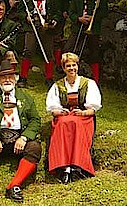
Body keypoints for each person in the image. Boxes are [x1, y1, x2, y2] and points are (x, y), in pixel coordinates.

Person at [0, 60, 42, 205]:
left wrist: (24, 137)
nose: (7, 80)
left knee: (35, 148)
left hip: (19, 140)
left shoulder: (26, 97)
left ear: (16, 79)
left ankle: (14, 186)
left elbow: (35, 120)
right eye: (3, 77)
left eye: (10, 76)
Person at [45, 52, 102, 183]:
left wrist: (83, 113)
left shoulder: (88, 83)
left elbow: (92, 109)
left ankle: (78, 165)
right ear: (64, 68)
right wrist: (60, 111)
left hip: (83, 117)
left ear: (77, 66)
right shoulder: (57, 85)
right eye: (68, 66)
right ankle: (63, 167)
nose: (72, 68)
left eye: (74, 65)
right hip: (64, 117)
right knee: (62, 124)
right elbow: (53, 108)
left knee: (76, 124)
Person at [16, 0, 62, 88]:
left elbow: (58, 12)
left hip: (46, 25)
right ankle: (23, 77)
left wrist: (55, 20)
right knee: (28, 50)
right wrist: (26, 17)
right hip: (31, 26)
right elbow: (19, 11)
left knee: (48, 52)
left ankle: (49, 78)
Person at [64, 0, 108, 84]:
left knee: (94, 53)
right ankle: (71, 77)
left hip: (93, 28)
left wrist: (93, 18)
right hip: (78, 27)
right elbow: (71, 12)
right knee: (69, 49)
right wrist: (79, 18)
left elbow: (104, 11)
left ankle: (96, 81)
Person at [42, 0, 69, 70]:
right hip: (44, 16)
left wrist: (65, 10)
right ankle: (48, 62)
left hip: (58, 15)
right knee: (46, 41)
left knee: (58, 40)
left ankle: (58, 64)